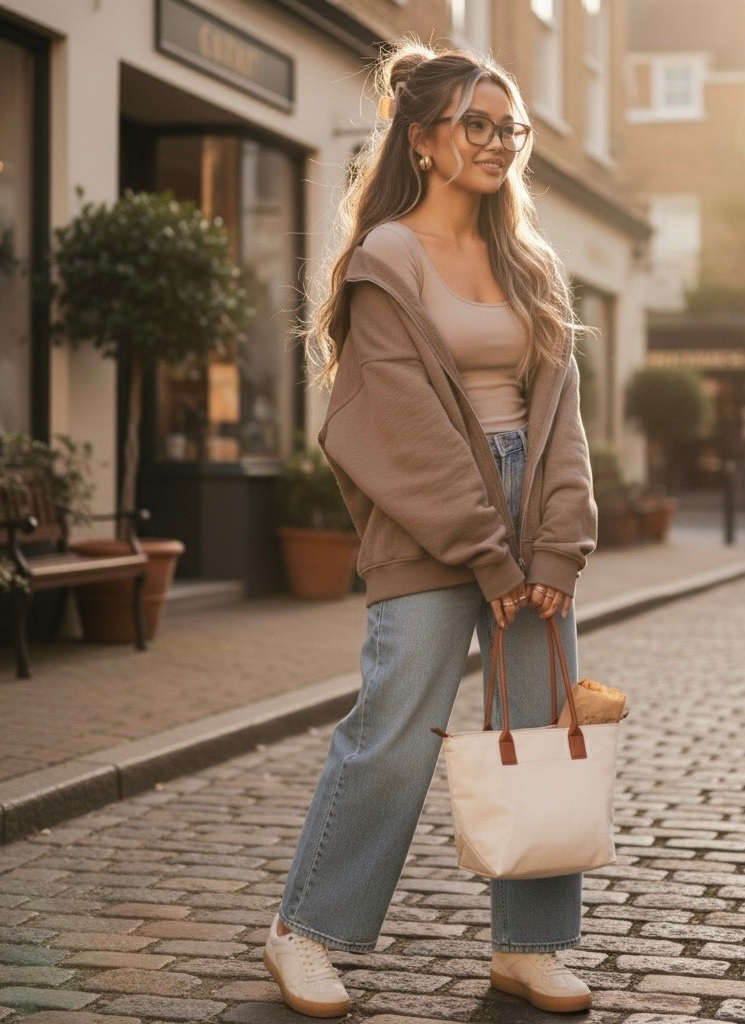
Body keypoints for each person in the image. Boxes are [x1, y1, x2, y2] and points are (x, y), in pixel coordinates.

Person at [264, 39, 597, 1018]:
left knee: (538, 725)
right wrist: (488, 551)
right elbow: (397, 423)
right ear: (420, 138)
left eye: (510, 129)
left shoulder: (529, 261)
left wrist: (557, 543)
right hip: (429, 518)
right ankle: (303, 932)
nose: (497, 143)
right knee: (397, 729)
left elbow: (562, 416)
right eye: (475, 125)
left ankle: (528, 946)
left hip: (530, 514)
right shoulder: (387, 258)